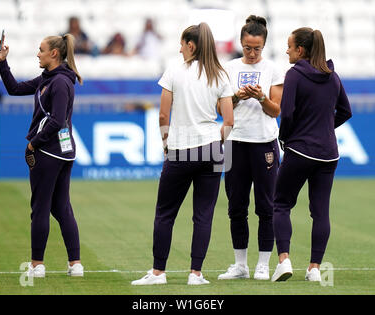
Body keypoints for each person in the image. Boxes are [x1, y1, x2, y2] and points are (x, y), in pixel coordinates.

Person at [131, 22, 234, 286]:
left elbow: (163, 114)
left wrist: (167, 143)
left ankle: (158, 273)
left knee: (165, 213)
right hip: (212, 149)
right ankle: (195, 274)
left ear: (191, 45)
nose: (179, 49)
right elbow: (229, 121)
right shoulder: (220, 75)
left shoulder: (175, 71)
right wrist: (214, 142)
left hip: (180, 149)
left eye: (181, 44)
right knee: (203, 214)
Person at [0, 33, 85, 278]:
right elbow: (14, 89)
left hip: (48, 151)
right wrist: (2, 62)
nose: (38, 53)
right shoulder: (51, 79)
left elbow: (56, 120)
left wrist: (34, 144)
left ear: (54, 53)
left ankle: (37, 265)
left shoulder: (58, 82)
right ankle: (75, 264)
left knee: (41, 207)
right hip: (63, 152)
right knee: (61, 207)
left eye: (41, 49)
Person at [271, 27, 352, 282]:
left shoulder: (294, 75)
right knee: (320, 212)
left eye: (290, 46)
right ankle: (314, 268)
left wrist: (285, 138)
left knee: (281, 204)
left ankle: (284, 260)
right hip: (328, 154)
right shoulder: (333, 76)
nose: (287, 50)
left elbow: (288, 114)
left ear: (301, 50)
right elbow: (345, 111)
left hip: (299, 150)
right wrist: (325, 127)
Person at [217, 15, 284, 281]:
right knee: (236, 205)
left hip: (264, 142)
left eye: (257, 48)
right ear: (241, 43)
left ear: (264, 44)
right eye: (248, 47)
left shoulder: (274, 70)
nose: (252, 53)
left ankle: (263, 264)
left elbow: (275, 110)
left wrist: (260, 97)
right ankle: (240, 264)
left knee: (266, 206)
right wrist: (236, 97)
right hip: (235, 141)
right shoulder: (229, 69)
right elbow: (218, 108)